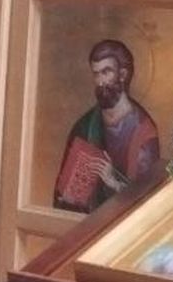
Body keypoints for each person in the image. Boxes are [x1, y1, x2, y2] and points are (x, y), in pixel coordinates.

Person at [52, 40, 161, 213]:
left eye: (106, 72)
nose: (100, 82)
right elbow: (62, 196)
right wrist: (68, 198)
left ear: (122, 74)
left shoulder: (143, 132)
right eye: (96, 74)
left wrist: (113, 181)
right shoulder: (84, 126)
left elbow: (146, 201)